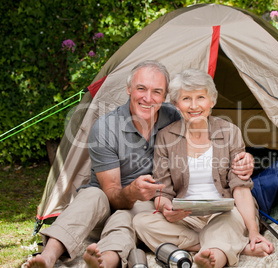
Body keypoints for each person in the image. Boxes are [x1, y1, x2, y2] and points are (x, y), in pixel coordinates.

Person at [27, 61, 254, 268]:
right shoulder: (106, 127)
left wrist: (246, 159)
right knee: (93, 198)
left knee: (132, 218)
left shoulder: (173, 118)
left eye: (157, 92)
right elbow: (113, 195)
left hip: (141, 202)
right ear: (129, 89)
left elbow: (207, 136)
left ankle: (104, 260)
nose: (148, 98)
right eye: (141, 89)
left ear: (165, 97)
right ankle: (48, 255)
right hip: (108, 198)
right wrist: (136, 192)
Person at [133, 68, 275, 268]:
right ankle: (233, 246)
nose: (194, 105)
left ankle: (214, 256)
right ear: (175, 104)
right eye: (186, 99)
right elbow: (162, 191)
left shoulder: (229, 132)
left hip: (225, 212)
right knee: (141, 222)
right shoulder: (166, 137)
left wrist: (253, 231)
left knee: (230, 219)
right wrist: (166, 209)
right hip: (186, 218)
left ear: (212, 100)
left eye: (200, 97)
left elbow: (240, 187)